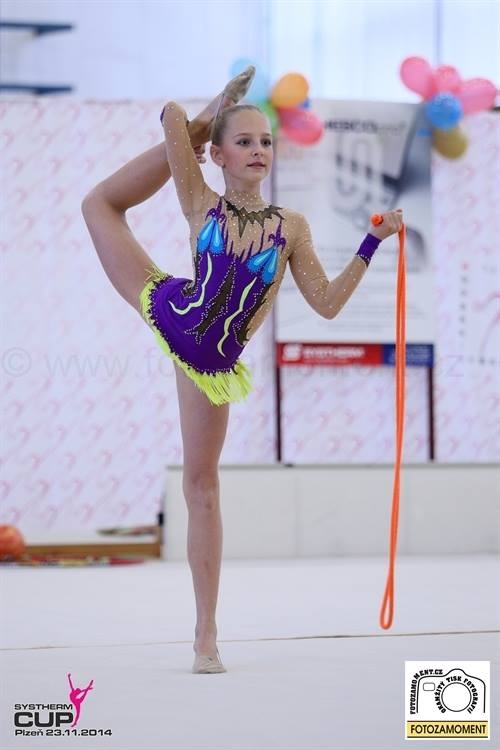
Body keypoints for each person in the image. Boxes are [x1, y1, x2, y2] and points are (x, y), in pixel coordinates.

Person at [81, 66, 403, 675]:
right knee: (97, 205)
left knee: (201, 487)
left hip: (210, 363)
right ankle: (205, 629)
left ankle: (205, 630)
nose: (259, 150)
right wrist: (205, 119)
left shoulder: (291, 227)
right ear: (220, 155)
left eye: (266, 141)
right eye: (245, 141)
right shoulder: (199, 200)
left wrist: (372, 242)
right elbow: (172, 115)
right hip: (169, 308)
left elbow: (327, 304)